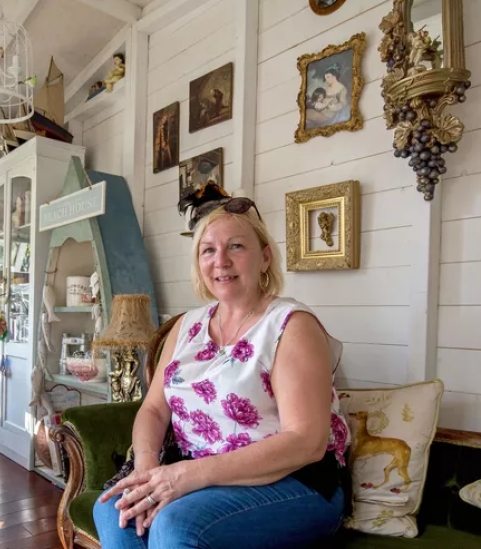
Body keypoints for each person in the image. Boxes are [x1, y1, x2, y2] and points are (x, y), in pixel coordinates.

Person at [93, 196, 351, 548]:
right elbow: (153, 409)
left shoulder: (290, 325)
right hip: (200, 474)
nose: (221, 261)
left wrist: (189, 476)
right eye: (208, 250)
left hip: (294, 482)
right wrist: (146, 469)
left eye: (236, 247)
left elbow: (306, 442)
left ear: (265, 257)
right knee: (113, 509)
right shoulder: (187, 326)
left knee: (176, 524)